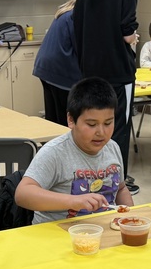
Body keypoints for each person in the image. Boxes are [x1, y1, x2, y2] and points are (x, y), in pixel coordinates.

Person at [15, 77, 134, 224]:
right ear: (71, 120)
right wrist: (73, 201)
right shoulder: (55, 152)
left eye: (108, 123)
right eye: (91, 124)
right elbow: (23, 194)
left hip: (102, 232)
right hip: (58, 236)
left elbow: (121, 189)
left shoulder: (112, 147)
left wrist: (130, 217)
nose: (101, 132)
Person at [73, 0, 140, 195]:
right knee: (117, 129)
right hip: (118, 74)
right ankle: (118, 184)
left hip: (89, 73)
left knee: (90, 128)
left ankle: (91, 180)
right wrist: (133, 38)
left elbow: (77, 30)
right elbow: (126, 33)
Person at [33, 0, 82, 127]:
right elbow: (81, 48)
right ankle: (63, 145)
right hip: (61, 71)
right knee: (64, 120)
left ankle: (51, 144)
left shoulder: (64, 13)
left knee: (52, 117)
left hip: (46, 69)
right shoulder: (76, 16)